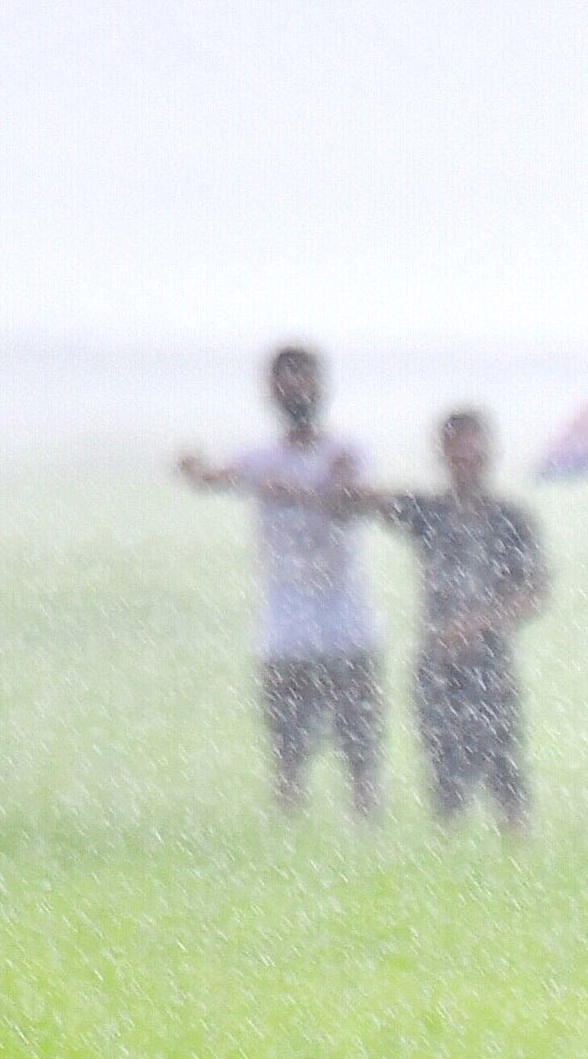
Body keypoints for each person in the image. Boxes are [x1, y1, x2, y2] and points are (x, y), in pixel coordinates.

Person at [177, 346, 384, 820]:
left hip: (346, 631)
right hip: (286, 636)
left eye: (302, 380)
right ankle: (289, 845)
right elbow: (214, 478)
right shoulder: (259, 459)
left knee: (361, 758)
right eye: (284, 382)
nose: (294, 390)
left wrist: (298, 491)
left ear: (320, 387)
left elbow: (352, 499)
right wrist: (194, 468)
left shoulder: (346, 453)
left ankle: (366, 842)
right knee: (289, 758)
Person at [359, 410, 548, 833]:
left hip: (490, 665)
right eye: (458, 452)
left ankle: (515, 863)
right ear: (443, 456)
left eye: (474, 453)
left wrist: (478, 624)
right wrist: (344, 478)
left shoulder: (511, 521)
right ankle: (453, 864)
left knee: (504, 769)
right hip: (438, 665)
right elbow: (363, 502)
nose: (467, 461)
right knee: (445, 775)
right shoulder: (428, 513)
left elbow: (534, 593)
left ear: (489, 455)